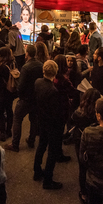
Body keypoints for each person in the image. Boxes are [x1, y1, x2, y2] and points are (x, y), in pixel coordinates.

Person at [33, 60, 66, 189]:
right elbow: (55, 112)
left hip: (41, 121)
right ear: (55, 72)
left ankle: (37, 171)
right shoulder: (53, 90)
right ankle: (48, 179)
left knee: (41, 146)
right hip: (51, 125)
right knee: (52, 152)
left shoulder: (38, 82)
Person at [5, 44, 43, 152]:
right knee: (34, 120)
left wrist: (19, 94)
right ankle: (31, 140)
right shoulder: (41, 65)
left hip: (25, 98)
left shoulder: (26, 67)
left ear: (27, 53)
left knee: (17, 119)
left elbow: (21, 85)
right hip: (35, 98)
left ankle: (15, 144)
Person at [0, 46, 16, 140]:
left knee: (1, 111)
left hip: (2, 92)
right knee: (9, 110)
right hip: (11, 91)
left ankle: (2, 132)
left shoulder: (1, 67)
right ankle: (9, 130)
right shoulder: (13, 63)